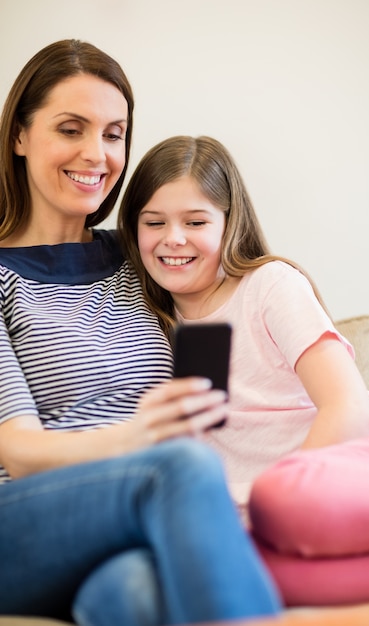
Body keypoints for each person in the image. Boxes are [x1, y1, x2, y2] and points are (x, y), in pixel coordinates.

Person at [0, 43, 282, 625]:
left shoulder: (143, 252)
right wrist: (139, 438)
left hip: (134, 516)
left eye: (113, 133)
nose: (96, 154)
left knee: (131, 594)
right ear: (20, 136)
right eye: (71, 129)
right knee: (180, 464)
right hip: (23, 521)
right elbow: (19, 453)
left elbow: (248, 310)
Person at [118, 134, 369, 607]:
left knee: (278, 502)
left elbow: (349, 407)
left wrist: (283, 492)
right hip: (272, 510)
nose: (173, 238)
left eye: (195, 221)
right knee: (242, 576)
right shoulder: (147, 324)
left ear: (229, 223)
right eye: (154, 222)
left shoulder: (269, 285)